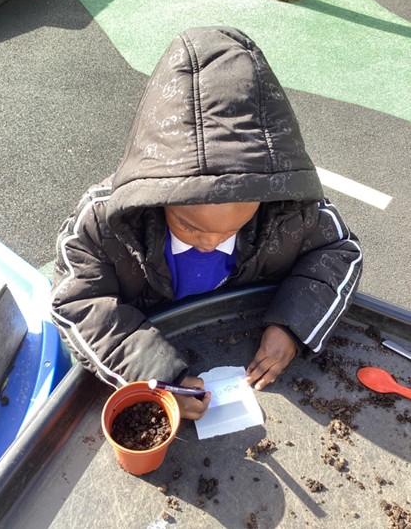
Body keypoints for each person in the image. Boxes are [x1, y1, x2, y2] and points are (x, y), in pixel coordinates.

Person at [50, 26, 363, 421]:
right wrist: (157, 377)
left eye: (232, 228)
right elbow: (78, 303)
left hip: (233, 337)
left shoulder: (290, 210)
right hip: (156, 341)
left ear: (265, 197)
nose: (210, 243)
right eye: (191, 226)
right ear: (158, 197)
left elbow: (340, 252)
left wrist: (293, 325)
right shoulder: (104, 223)